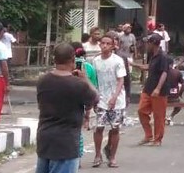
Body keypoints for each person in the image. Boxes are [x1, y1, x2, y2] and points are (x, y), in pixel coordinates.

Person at [36, 42, 98, 173]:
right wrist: (85, 79)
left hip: (45, 139)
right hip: (66, 143)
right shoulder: (78, 85)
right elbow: (95, 99)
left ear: (54, 59)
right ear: (73, 59)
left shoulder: (42, 81)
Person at [91, 34, 127, 168]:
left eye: (108, 43)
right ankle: (97, 155)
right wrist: (94, 96)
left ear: (112, 46)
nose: (104, 45)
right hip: (101, 99)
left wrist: (114, 97)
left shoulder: (117, 60)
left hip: (116, 100)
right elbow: (94, 79)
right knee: (99, 127)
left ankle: (112, 157)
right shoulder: (95, 61)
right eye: (103, 43)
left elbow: (121, 80)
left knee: (115, 128)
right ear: (99, 44)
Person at [133, 33, 172, 146]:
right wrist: (134, 65)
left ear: (153, 43)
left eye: (148, 43)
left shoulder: (163, 56)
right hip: (148, 88)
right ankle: (148, 135)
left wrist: (158, 88)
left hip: (159, 90)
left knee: (159, 116)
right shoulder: (152, 55)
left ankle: (157, 139)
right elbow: (149, 67)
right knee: (141, 110)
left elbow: (164, 72)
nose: (146, 45)